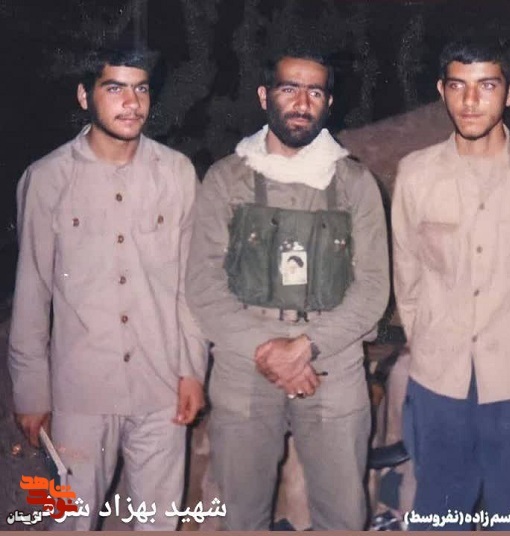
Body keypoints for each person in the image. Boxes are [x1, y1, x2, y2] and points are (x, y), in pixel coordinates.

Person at [186, 48, 389, 530]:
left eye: (315, 92)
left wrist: (305, 346)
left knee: (343, 516)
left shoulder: (355, 182)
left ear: (329, 103)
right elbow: (203, 284)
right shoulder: (227, 178)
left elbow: (373, 288)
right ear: (264, 96)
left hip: (332, 362)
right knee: (241, 516)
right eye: (289, 88)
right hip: (244, 363)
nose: (301, 102)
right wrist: (269, 350)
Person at [392, 38, 510, 530]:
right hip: (440, 383)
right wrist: (429, 345)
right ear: (441, 90)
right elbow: (407, 277)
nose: (470, 101)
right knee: (440, 516)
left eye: (486, 86)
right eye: (458, 86)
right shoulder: (415, 174)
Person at [9, 48, 206, 530]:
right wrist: (31, 391)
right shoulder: (47, 178)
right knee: (70, 522)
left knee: (158, 523)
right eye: (114, 88)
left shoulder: (177, 173)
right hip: (80, 392)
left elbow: (190, 284)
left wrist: (192, 369)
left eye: (141, 89)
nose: (132, 103)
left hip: (161, 385)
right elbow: (32, 291)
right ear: (85, 96)